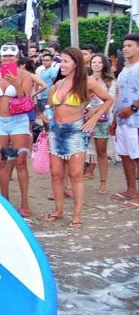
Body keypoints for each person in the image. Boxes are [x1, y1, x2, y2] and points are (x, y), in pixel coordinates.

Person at [42, 48, 112, 227]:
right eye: (61, 61)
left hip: (75, 131)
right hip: (56, 131)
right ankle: (58, 210)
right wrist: (46, 116)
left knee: (75, 175)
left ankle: (77, 216)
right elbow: (50, 106)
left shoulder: (87, 82)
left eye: (65, 61)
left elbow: (109, 100)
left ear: (75, 63)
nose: (61, 65)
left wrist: (94, 117)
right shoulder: (58, 84)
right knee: (56, 174)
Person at [0, 43, 34, 217]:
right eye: (5, 56)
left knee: (20, 162)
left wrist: (16, 82)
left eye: (11, 56)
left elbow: (26, 99)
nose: (8, 59)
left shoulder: (25, 75)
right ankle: (5, 200)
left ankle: (24, 203)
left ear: (17, 57)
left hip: (18, 122)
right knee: (2, 162)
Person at [109, 34, 139, 208]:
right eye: (124, 45)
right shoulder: (124, 70)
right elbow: (119, 96)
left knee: (137, 156)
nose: (125, 49)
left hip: (136, 121)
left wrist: (133, 108)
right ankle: (130, 190)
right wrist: (114, 120)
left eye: (129, 45)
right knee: (125, 155)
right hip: (121, 120)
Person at [83, 54, 116, 194]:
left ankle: (103, 183)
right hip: (85, 118)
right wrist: (88, 109)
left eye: (99, 62)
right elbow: (81, 97)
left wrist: (96, 111)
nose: (96, 64)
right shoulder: (85, 80)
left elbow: (111, 100)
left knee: (101, 152)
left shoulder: (110, 82)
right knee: (80, 151)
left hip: (103, 120)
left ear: (104, 64)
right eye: (93, 62)